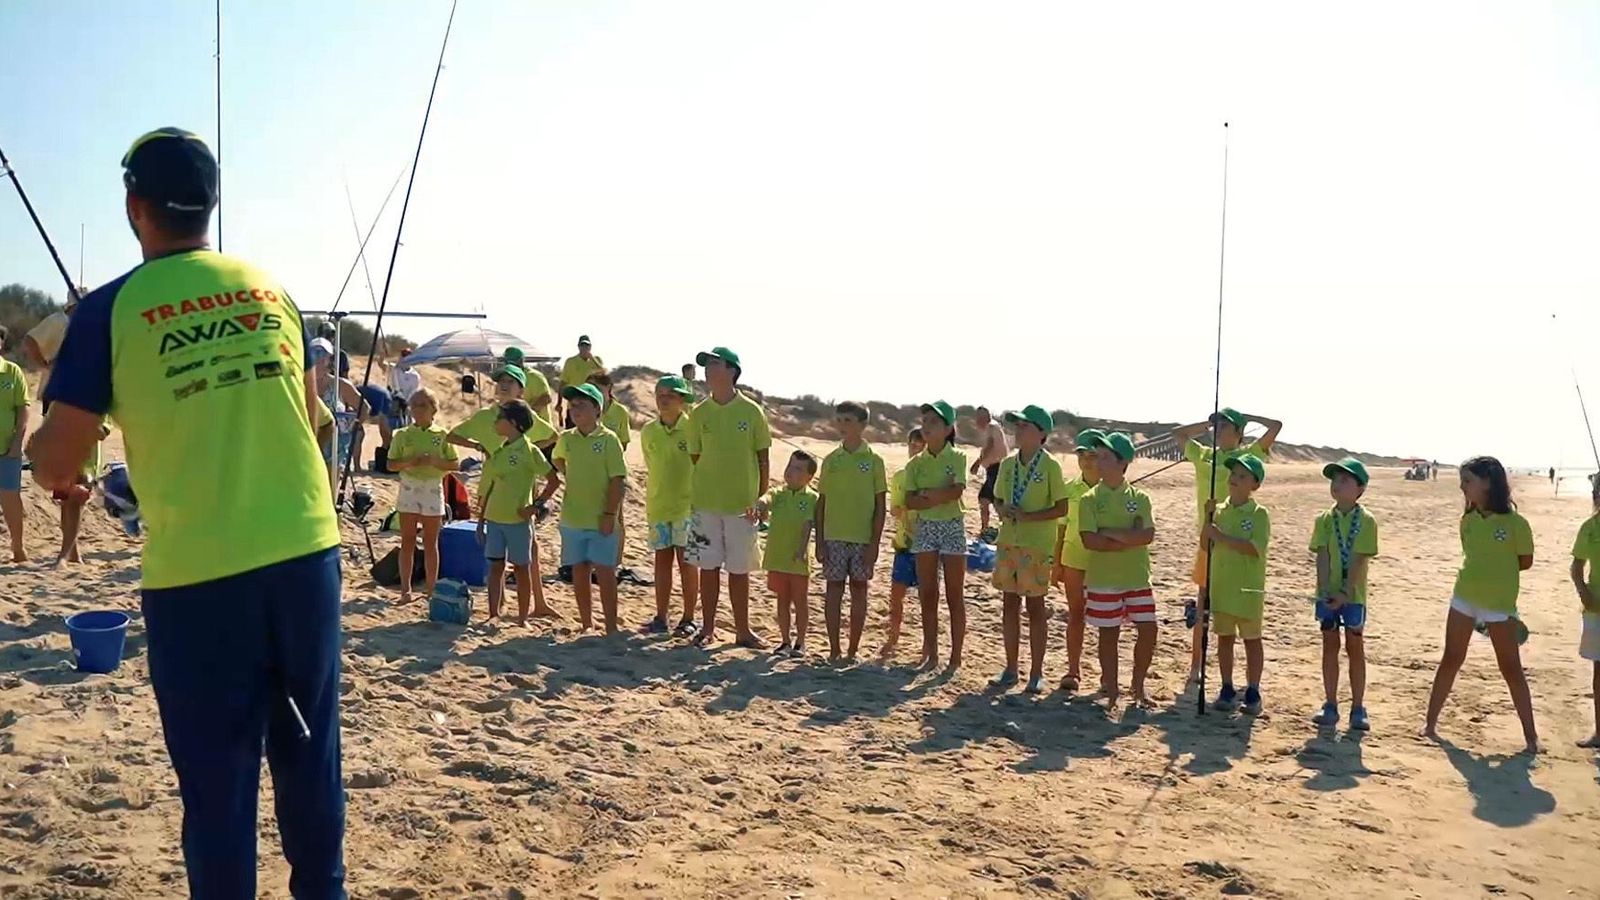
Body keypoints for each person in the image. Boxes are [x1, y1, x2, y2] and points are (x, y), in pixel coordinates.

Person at [28, 127, 345, 896]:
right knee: (311, 756)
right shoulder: (274, 290)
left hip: (200, 577)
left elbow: (54, 463)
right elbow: (310, 422)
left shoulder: (109, 310)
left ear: (135, 208)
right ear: (210, 205)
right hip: (307, 554)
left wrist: (69, 462)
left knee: (217, 782)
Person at [1422, 456, 1538, 754]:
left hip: (1499, 606)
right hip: (1463, 599)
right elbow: (1470, 553)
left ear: (1488, 482)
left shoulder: (1516, 524)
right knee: (1451, 658)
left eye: (1467, 481)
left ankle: (1531, 739)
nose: (1462, 487)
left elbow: (1524, 562)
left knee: (1511, 668)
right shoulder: (1468, 521)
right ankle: (1430, 725)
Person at [1171, 406, 1283, 685]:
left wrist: (1249, 417)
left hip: (1235, 539)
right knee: (1203, 601)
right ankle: (1196, 665)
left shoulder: (1248, 458)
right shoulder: (1205, 456)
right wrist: (1208, 424)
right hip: (1208, 539)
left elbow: (1276, 426)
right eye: (1218, 427)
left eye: (1225, 427)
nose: (1219, 431)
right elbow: (1179, 434)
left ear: (1238, 433)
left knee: (1234, 614)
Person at [687, 347, 771, 648]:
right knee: (707, 568)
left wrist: (759, 499)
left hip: (742, 506)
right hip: (705, 503)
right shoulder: (698, 413)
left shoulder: (751, 411)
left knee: (739, 570)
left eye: (714, 364)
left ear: (732, 371)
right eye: (706, 365)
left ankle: (743, 631)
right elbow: (696, 455)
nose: (708, 370)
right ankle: (707, 628)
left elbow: (763, 458)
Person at [992, 406, 1070, 694]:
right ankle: (1011, 668)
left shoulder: (1050, 466)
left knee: (1035, 608)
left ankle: (1036, 673)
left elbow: (1062, 507)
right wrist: (1004, 509)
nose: (1019, 430)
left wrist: (1030, 516)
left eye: (1025, 426)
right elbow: (997, 500)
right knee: (1009, 605)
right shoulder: (1008, 464)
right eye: (1018, 425)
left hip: (1036, 545)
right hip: (1009, 540)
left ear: (1041, 434)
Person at [1078, 431, 1158, 708]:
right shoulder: (1089, 499)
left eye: (1105, 457)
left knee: (1148, 629)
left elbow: (1147, 536)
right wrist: (1127, 537)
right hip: (1103, 579)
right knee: (1108, 634)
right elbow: (1090, 540)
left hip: (1136, 576)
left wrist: (1110, 533)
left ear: (1122, 463)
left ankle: (1137, 685)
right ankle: (1111, 688)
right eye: (1097, 456)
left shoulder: (1140, 498)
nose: (1098, 462)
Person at [477, 399, 561, 624]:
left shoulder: (529, 450)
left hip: (518, 522)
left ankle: (522, 618)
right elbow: (490, 487)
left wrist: (536, 506)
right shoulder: (499, 450)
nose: (495, 422)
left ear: (513, 422)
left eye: (500, 418)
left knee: (522, 568)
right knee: (495, 567)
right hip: (494, 519)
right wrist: (480, 521)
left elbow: (553, 481)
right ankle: (493, 614)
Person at [1311, 457, 1379, 730]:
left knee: (1355, 647)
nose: (1337, 485)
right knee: (1329, 645)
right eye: (1334, 480)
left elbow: (1359, 559)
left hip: (1354, 597)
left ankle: (1358, 706)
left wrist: (1345, 592)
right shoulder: (1323, 520)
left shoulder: (1367, 521)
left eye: (1344, 480)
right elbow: (1323, 556)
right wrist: (1327, 590)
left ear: (1360, 489)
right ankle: (1330, 703)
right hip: (1327, 595)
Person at [816, 401, 888, 663]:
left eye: (848, 420)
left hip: (862, 538)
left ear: (862, 425)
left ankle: (852, 650)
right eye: (839, 420)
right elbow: (821, 502)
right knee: (833, 591)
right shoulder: (831, 461)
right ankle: (834, 649)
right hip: (834, 536)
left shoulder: (874, 461)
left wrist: (875, 543)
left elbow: (881, 506)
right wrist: (820, 540)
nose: (842, 426)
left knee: (859, 591)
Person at [553, 383, 627, 634]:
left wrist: (609, 514)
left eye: (581, 405)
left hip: (601, 519)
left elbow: (619, 480)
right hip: (573, 517)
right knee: (579, 570)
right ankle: (586, 623)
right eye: (572, 406)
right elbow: (558, 459)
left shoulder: (608, 440)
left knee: (605, 572)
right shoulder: (567, 438)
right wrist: (570, 473)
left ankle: (610, 627)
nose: (575, 410)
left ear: (597, 408)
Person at [1203, 455, 1271, 714]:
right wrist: (1208, 519)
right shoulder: (1219, 510)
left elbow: (1254, 549)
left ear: (1254, 484)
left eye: (1243, 476)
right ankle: (1227, 686)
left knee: (1252, 639)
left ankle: (1253, 689)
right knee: (1225, 638)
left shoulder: (1259, 514)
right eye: (1234, 474)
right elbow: (1205, 545)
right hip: (1222, 587)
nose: (1234, 479)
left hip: (1248, 590)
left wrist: (1220, 535)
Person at [905, 400, 968, 672]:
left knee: (955, 595)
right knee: (927, 594)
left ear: (948, 428)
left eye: (934, 422)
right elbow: (910, 499)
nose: (926, 426)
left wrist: (929, 495)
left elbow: (956, 490)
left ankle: (955, 656)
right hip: (926, 527)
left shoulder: (958, 457)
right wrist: (933, 497)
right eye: (925, 421)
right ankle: (931, 654)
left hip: (952, 525)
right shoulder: (915, 463)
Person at [639, 376, 700, 635]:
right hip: (658, 506)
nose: (664, 399)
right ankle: (661, 617)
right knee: (661, 562)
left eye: (671, 395)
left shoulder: (693, 428)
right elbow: (652, 465)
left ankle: (688, 618)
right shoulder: (648, 431)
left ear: (682, 400)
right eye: (660, 394)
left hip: (688, 507)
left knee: (688, 563)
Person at [387, 388, 458, 604]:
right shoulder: (402, 434)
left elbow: (454, 463)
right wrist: (410, 462)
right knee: (407, 540)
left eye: (422, 405)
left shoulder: (442, 435)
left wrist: (435, 462)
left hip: (432, 486)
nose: (417, 409)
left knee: (430, 541)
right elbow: (390, 464)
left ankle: (430, 589)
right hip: (409, 485)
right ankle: (405, 589)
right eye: (414, 405)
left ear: (433, 409)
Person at [1053, 428, 1104, 692]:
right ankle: (1073, 669)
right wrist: (1056, 563)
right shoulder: (1069, 489)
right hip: (1074, 559)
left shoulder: (1113, 489)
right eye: (1082, 454)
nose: (1086, 460)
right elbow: (1061, 528)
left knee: (1108, 620)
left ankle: (1108, 676)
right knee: (1075, 614)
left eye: (1093, 455)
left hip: (1106, 564)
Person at [765, 450, 819, 656]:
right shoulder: (779, 493)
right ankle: (785, 640)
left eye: (798, 469)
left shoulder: (812, 498)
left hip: (798, 559)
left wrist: (801, 549)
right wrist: (760, 504)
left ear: (808, 477)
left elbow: (807, 525)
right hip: (777, 556)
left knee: (800, 601)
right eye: (790, 466)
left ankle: (801, 642)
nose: (791, 471)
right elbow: (767, 498)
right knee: (782, 600)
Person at [878, 428, 925, 662]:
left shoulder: (932, 476)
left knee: (928, 598)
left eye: (920, 445)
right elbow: (895, 509)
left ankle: (928, 644)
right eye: (912, 445)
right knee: (896, 594)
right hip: (904, 544)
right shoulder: (900, 476)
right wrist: (906, 506)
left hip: (927, 545)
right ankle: (893, 636)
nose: (915, 449)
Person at [1572, 476, 1600, 749]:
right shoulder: (1589, 528)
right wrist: (1584, 593)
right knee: (1599, 673)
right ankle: (1599, 732)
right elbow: (1576, 567)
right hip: (1596, 609)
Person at [21, 286, 84, 401]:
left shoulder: (86, 326)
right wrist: (44, 366)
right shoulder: (58, 321)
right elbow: (30, 340)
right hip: (56, 392)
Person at [0, 331, 29, 563]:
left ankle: (18, 548)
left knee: (11, 500)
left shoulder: (12, 371)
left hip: (7, 449)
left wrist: (17, 443)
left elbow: (23, 410)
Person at [969, 406, 1008, 542]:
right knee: (985, 499)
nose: (977, 421)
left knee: (996, 501)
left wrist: (978, 462)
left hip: (997, 468)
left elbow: (991, 445)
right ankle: (985, 528)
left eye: (979, 417)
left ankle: (1003, 528)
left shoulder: (992, 427)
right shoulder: (991, 428)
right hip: (992, 468)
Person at [556, 335, 604, 425]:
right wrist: (559, 402)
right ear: (578, 347)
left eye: (587, 346)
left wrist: (592, 359)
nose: (585, 348)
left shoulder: (596, 361)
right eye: (582, 346)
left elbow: (604, 374)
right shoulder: (571, 362)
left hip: (591, 404)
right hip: (574, 402)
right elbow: (563, 382)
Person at [503, 346, 553, 418]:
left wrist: (527, 412)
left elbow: (546, 398)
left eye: (515, 363)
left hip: (538, 425)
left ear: (522, 361)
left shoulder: (534, 376)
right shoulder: (506, 378)